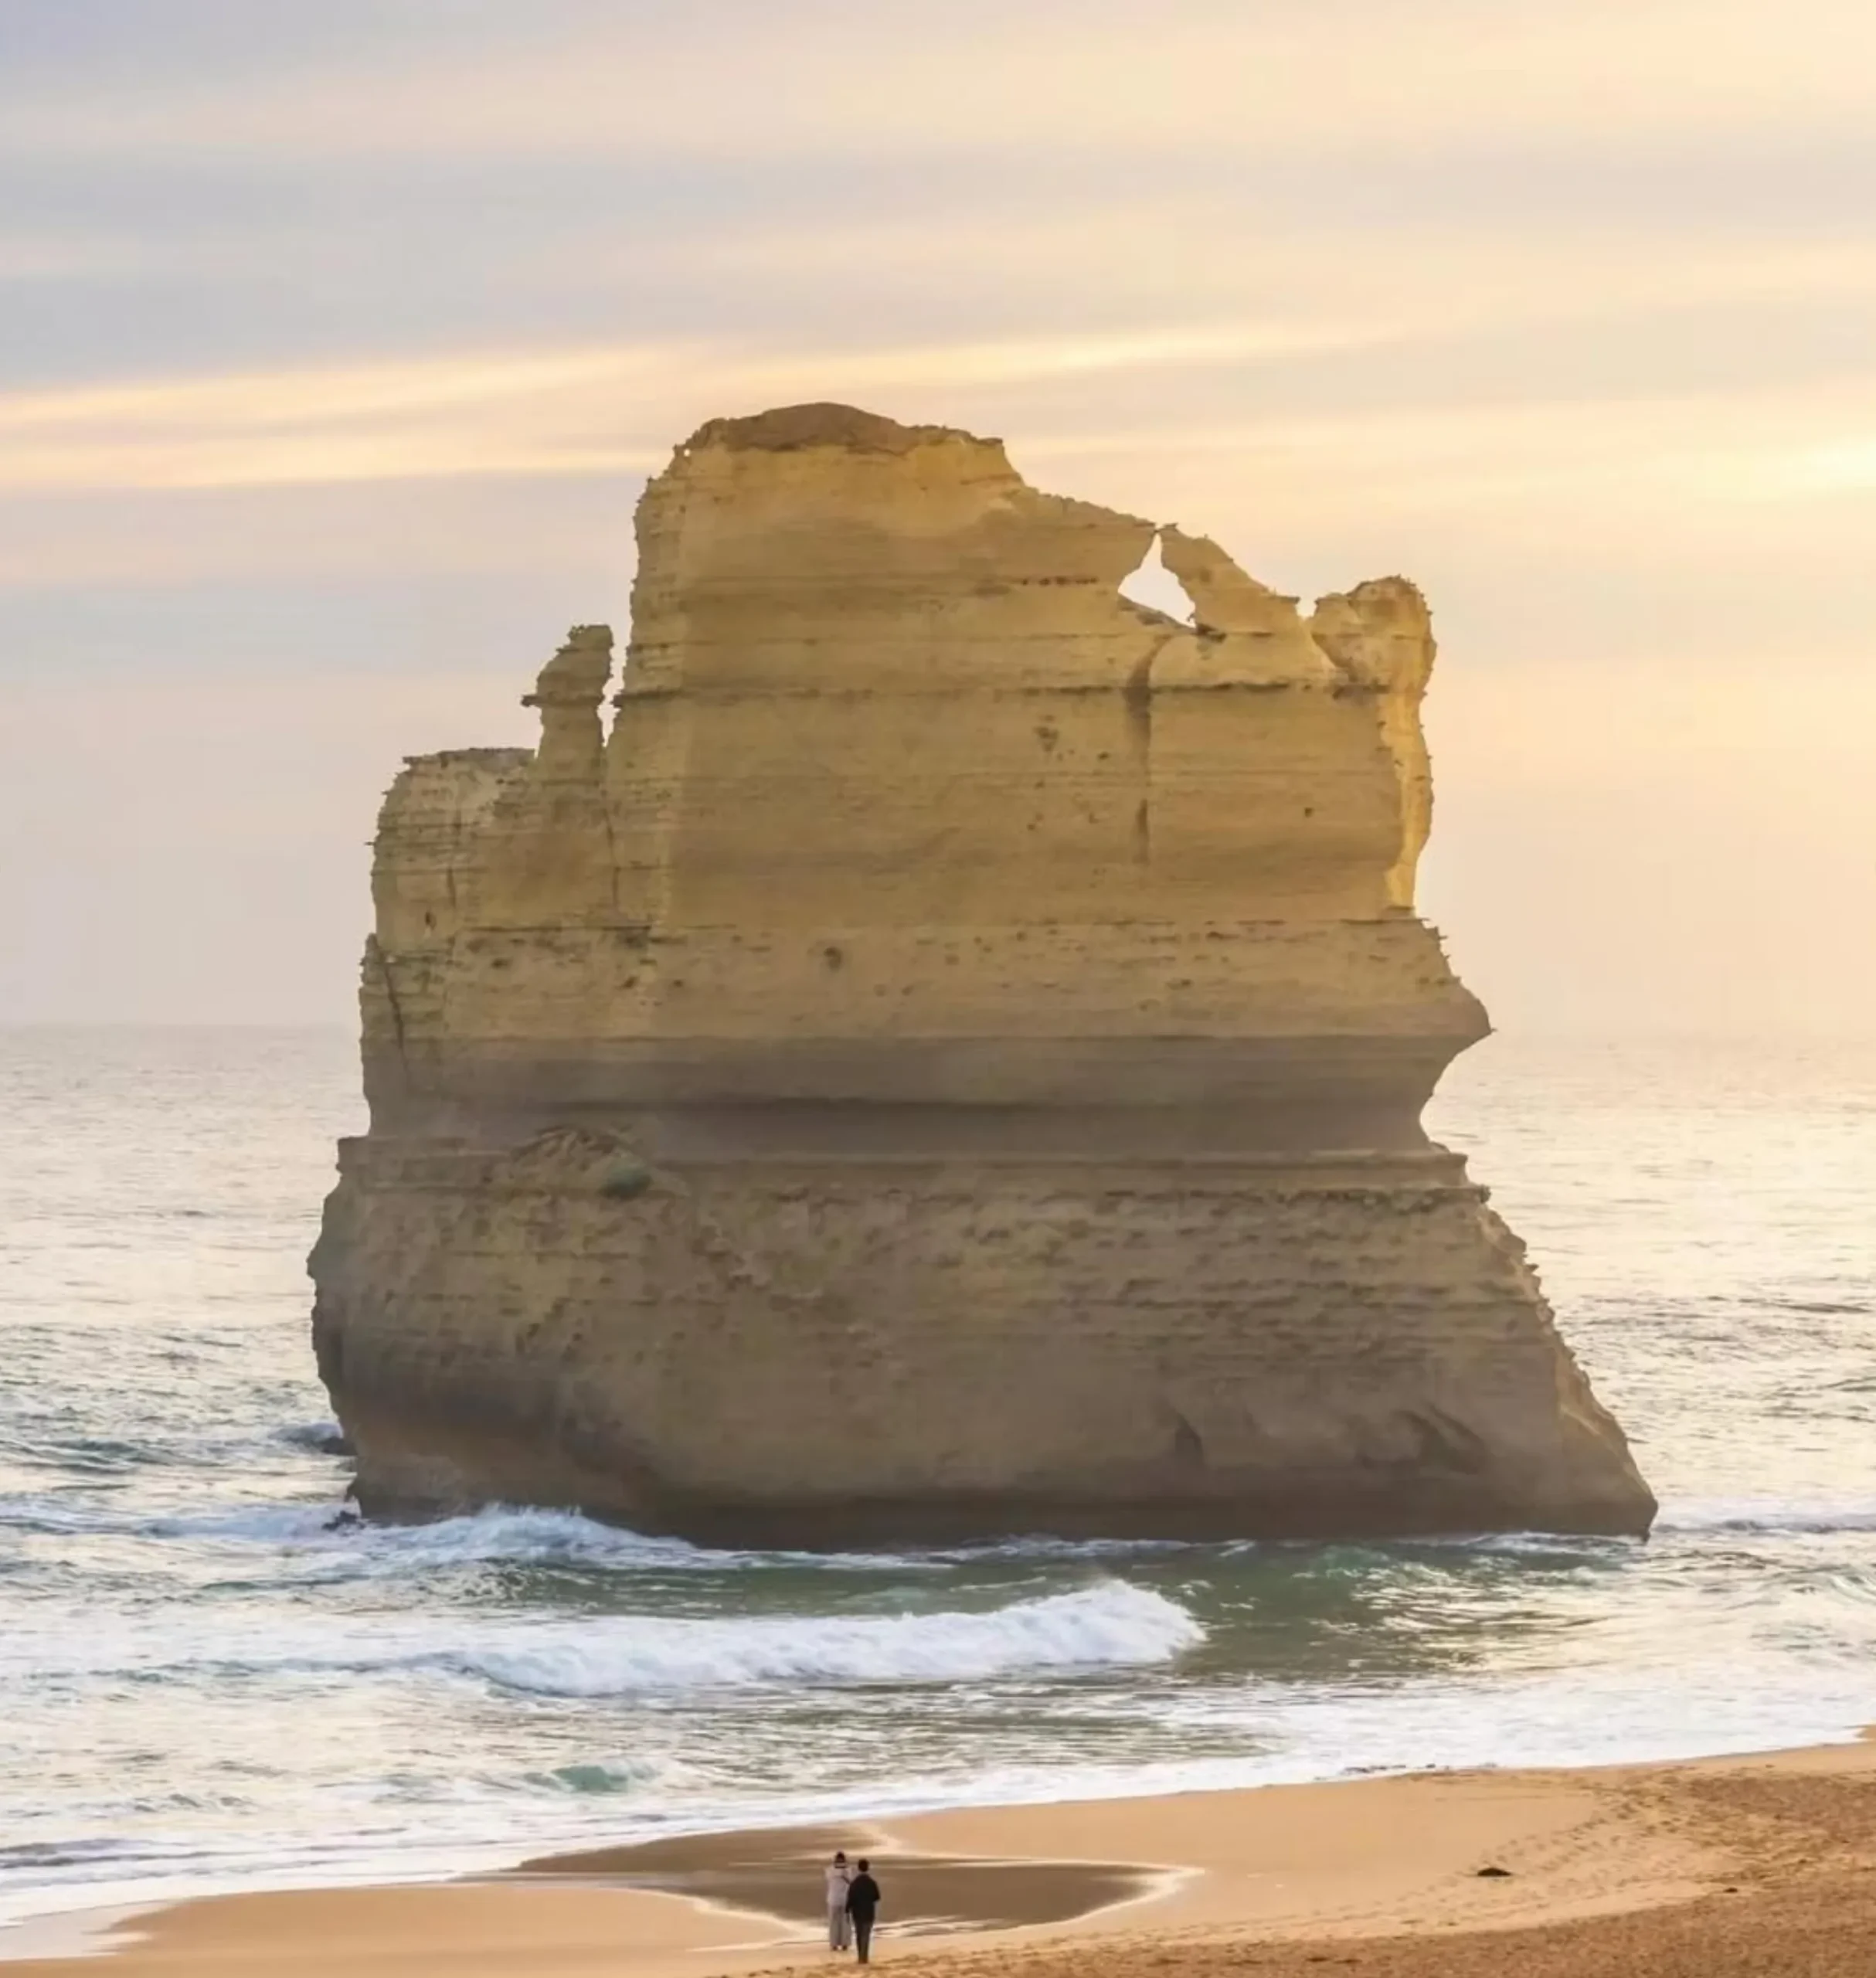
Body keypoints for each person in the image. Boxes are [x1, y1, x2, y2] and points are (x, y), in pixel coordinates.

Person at [845, 1857, 882, 1964]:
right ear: (868, 1868)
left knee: (859, 1935)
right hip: (869, 1912)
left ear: (858, 1868)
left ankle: (861, 1956)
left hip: (857, 1913)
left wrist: (847, 1911)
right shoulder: (872, 1883)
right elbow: (877, 1897)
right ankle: (864, 1957)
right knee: (866, 1935)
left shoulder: (854, 1883)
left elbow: (850, 1898)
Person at [824, 1851, 852, 1952]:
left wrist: (841, 1873)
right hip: (843, 1899)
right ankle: (844, 1943)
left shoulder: (829, 1870)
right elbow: (850, 1882)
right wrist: (843, 1872)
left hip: (834, 1899)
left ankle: (834, 1944)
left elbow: (829, 1879)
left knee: (834, 1922)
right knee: (844, 1922)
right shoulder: (847, 1870)